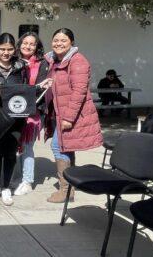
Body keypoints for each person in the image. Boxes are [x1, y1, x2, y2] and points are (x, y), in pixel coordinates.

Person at [44, 28, 103, 203]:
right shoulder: (57, 61)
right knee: (66, 147)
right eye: (56, 40)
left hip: (72, 114)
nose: (58, 43)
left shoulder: (77, 61)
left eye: (63, 40)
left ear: (71, 42)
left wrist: (68, 118)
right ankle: (70, 186)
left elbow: (79, 91)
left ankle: (65, 189)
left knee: (58, 147)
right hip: (60, 112)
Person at [0, 33, 27, 206]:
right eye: (2, 49)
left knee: (10, 154)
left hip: (15, 119)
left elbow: (27, 90)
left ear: (15, 50)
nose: (6, 52)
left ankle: (6, 187)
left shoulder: (21, 67)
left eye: (10, 49)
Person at [14, 31, 51, 197]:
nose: (28, 46)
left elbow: (41, 87)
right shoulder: (14, 61)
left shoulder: (43, 64)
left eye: (32, 44)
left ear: (37, 47)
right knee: (15, 146)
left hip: (33, 112)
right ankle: (18, 177)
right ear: (20, 44)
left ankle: (27, 180)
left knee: (27, 146)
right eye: (25, 43)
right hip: (14, 110)